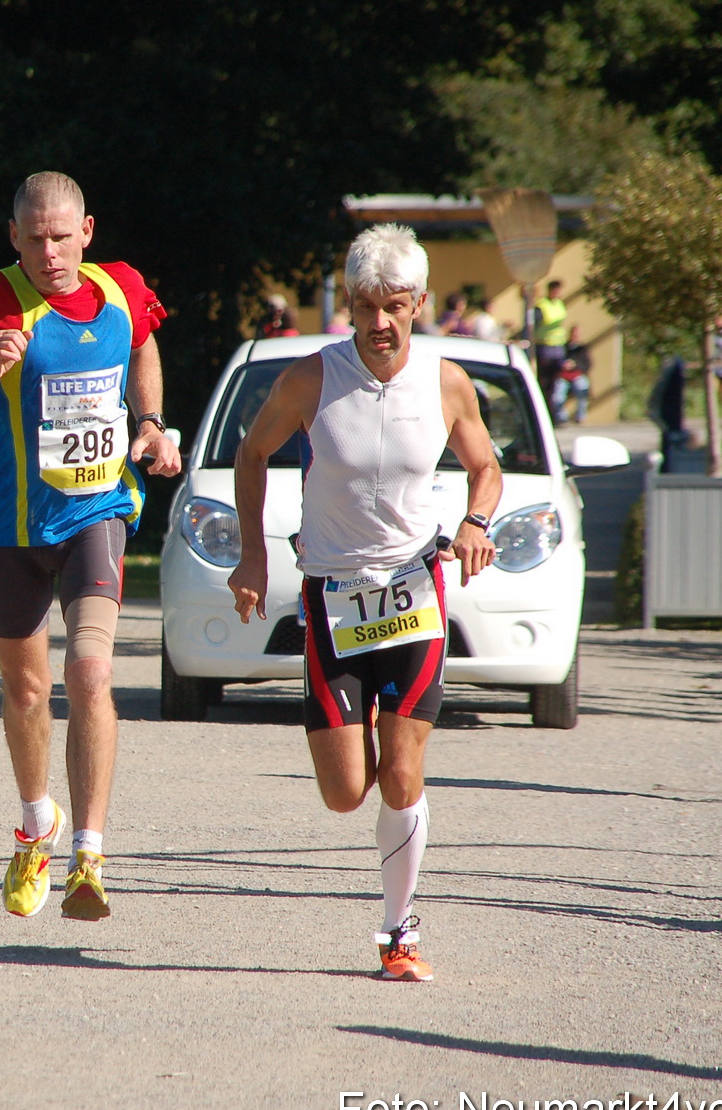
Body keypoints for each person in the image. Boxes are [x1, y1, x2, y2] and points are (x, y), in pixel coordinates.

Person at [226, 224, 502, 981]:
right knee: (349, 790)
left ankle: (398, 933)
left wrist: (477, 522)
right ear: (348, 305)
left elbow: (486, 465)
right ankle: (363, 740)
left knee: (403, 773)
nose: (379, 324)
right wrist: (253, 552)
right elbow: (252, 453)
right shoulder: (313, 379)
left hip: (415, 595)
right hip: (335, 601)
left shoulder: (446, 383)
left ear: (419, 304)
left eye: (394, 307)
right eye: (364, 307)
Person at [0, 171, 182, 919]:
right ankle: (36, 829)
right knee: (23, 690)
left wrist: (150, 422)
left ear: (86, 231)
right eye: (36, 238)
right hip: (10, 525)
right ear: (14, 236)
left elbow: (145, 343)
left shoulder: (121, 286)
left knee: (89, 670)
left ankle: (89, 852)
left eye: (63, 236)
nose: (51, 252)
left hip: (98, 511)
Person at [532, 278, 569, 417]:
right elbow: (535, 324)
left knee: (555, 383)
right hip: (545, 347)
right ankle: (544, 413)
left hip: (558, 348)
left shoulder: (559, 304)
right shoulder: (541, 305)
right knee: (544, 383)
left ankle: (553, 414)